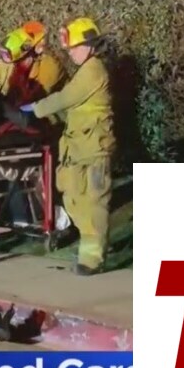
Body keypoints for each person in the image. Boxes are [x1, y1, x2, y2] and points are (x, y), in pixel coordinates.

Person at [22, 18, 115, 276]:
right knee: (74, 199)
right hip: (79, 149)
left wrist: (35, 110)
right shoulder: (85, 71)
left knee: (94, 202)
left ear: (90, 45)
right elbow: (72, 108)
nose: (71, 53)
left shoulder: (93, 70)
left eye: (74, 48)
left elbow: (66, 98)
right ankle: (90, 248)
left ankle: (92, 259)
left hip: (94, 150)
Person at [0, 21, 67, 106]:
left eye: (21, 59)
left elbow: (33, 102)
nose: (16, 64)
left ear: (38, 49)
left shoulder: (50, 67)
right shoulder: (8, 61)